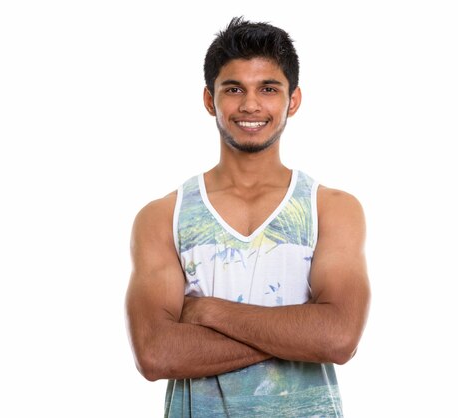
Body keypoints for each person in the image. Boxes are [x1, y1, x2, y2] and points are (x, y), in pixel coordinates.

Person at [125, 16, 370, 417]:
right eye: (234, 88)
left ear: (293, 100)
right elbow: (156, 353)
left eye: (268, 88)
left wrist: (208, 312)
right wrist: (298, 333)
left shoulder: (331, 209)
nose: (251, 104)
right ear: (210, 100)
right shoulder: (163, 216)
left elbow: (338, 338)